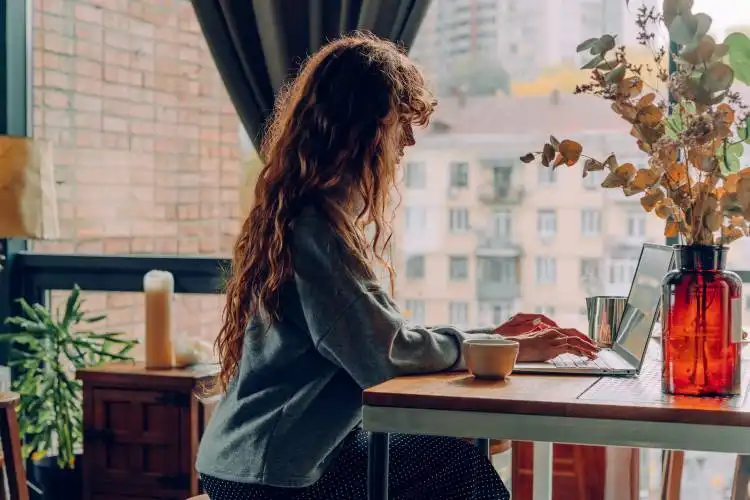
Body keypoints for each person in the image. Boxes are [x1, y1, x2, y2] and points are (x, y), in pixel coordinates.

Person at [196, 32, 599, 500]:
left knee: (448, 453)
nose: (407, 141)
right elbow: (384, 356)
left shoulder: (310, 219)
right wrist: (503, 348)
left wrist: (491, 340)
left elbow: (380, 339)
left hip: (256, 461)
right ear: (361, 126)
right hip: (271, 474)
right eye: (401, 122)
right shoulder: (315, 233)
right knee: (457, 464)